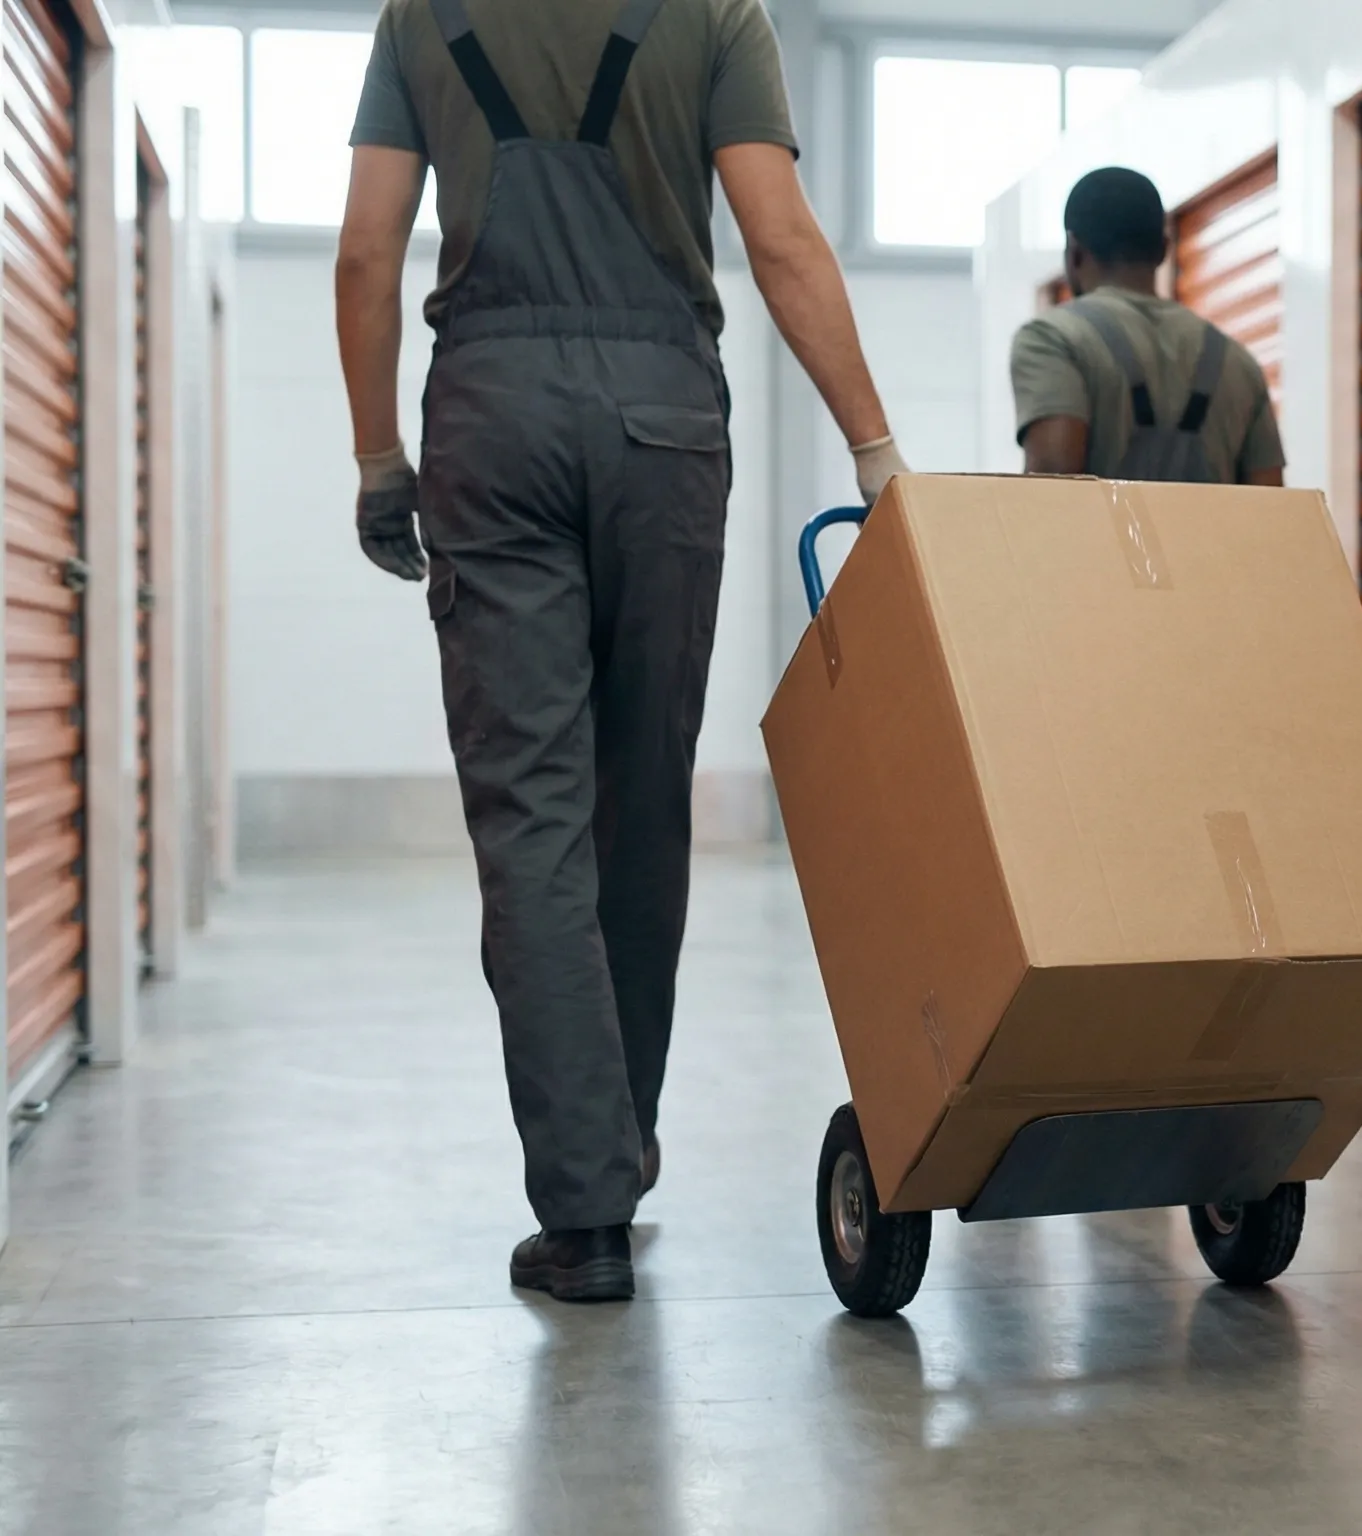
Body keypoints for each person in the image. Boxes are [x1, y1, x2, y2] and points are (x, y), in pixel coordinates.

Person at [335, 0, 908, 1303]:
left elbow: (367, 252)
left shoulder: (423, 15)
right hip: (663, 423)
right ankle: (621, 1147)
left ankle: (586, 1208)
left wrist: (378, 458)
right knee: (641, 807)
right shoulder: (716, 13)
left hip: (491, 422)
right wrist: (873, 447)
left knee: (531, 824)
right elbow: (779, 237)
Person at [1012, 167, 1286, 485]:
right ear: (1164, 249)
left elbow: (1050, 486)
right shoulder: (1237, 362)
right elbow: (1271, 501)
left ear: (1074, 252)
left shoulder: (1053, 339)